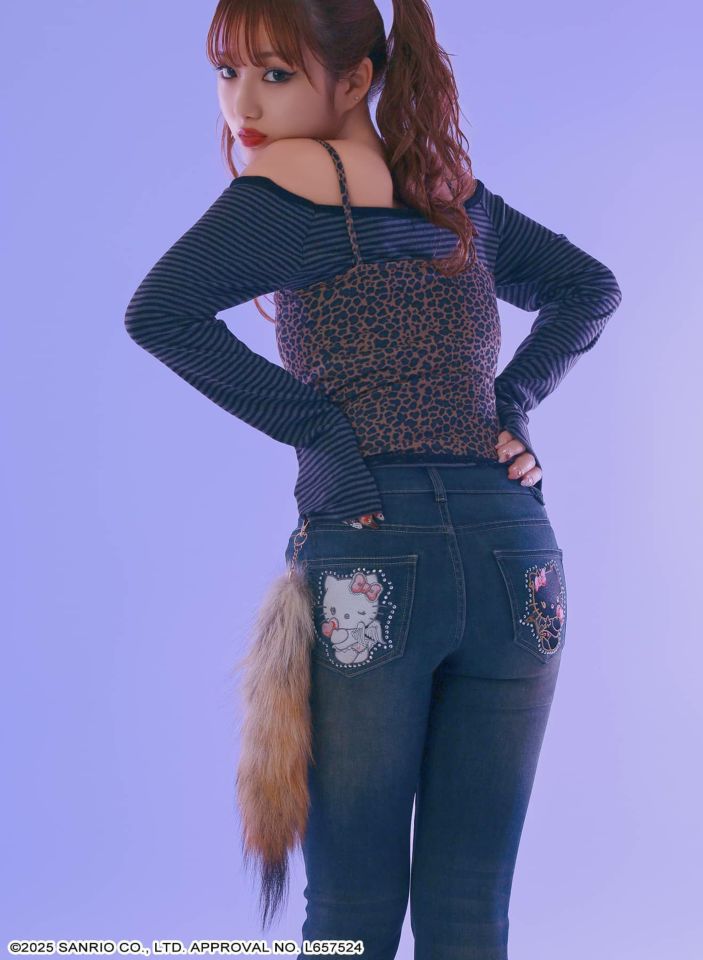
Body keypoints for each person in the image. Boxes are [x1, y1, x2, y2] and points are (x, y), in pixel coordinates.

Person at [124, 0, 622, 956]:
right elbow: (589, 288)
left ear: (356, 79)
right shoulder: (448, 189)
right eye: (227, 72)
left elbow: (161, 313)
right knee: (471, 905)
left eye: (275, 74)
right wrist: (509, 409)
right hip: (521, 561)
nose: (243, 105)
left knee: (350, 911)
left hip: (372, 550)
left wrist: (322, 433)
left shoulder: (294, 175)